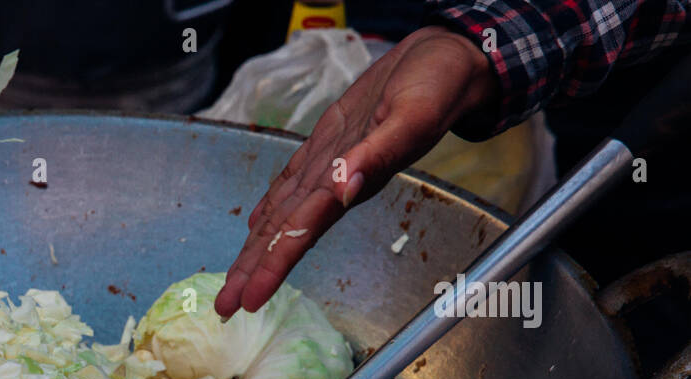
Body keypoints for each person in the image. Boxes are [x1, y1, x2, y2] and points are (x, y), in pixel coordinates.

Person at [215, 0, 691, 319]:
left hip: (641, 135)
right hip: (466, 25)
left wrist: (476, 47)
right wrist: (472, 44)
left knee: (616, 294)